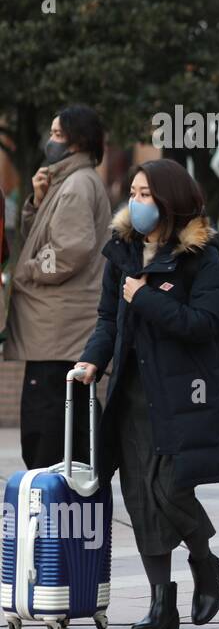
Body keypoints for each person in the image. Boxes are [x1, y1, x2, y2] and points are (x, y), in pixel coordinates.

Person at [76, 159, 219, 629]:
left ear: (169, 200)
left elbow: (204, 324)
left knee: (169, 488)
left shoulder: (200, 255)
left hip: (183, 391)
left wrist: (145, 297)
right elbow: (109, 318)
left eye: (146, 194)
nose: (137, 202)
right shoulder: (123, 250)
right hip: (130, 389)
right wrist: (91, 360)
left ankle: (205, 562)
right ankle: (161, 602)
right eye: (134, 192)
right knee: (140, 496)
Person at [5, 107, 112, 469]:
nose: (49, 140)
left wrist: (27, 270)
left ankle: (49, 499)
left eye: (57, 133)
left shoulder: (78, 185)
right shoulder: (66, 182)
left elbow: (69, 252)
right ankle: (73, 498)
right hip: (58, 327)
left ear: (76, 140)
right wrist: (37, 200)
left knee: (46, 424)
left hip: (58, 328)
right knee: (72, 420)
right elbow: (46, 236)